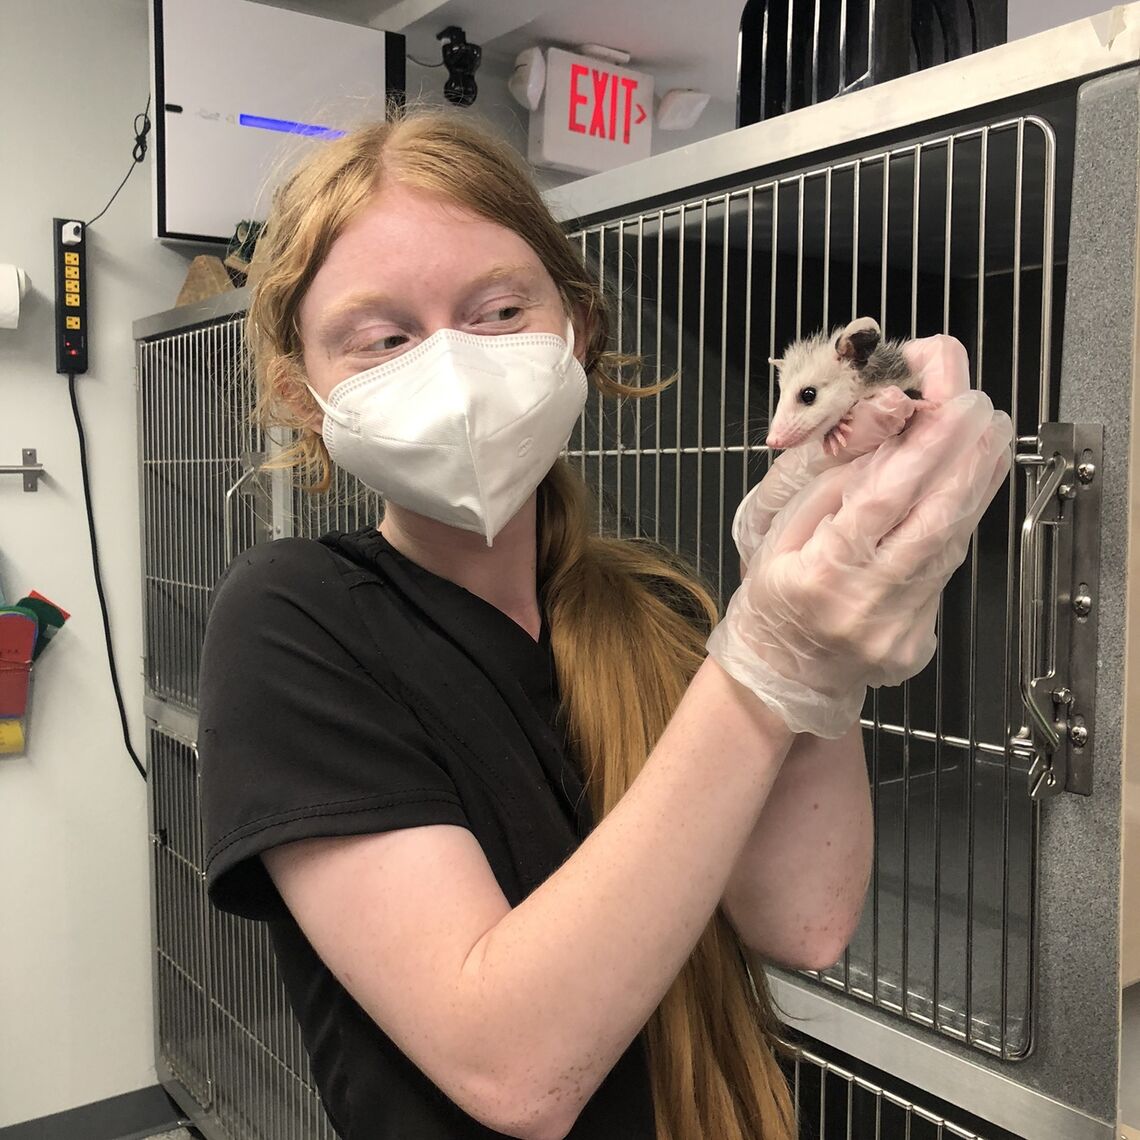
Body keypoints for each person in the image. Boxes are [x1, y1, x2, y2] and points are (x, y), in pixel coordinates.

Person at [197, 108, 1012, 1140]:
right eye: (386, 338)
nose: (454, 368)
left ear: (577, 327)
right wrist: (767, 661)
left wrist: (821, 638)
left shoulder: (657, 609)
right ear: (304, 396)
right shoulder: (292, 620)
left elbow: (803, 919)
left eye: (498, 311)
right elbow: (516, 1069)